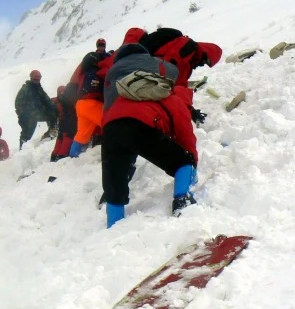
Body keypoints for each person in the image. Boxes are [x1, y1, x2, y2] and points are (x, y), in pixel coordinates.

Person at [101, 43, 198, 228]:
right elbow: (186, 137)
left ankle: (113, 225)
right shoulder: (172, 99)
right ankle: (182, 202)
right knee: (183, 161)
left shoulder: (128, 93)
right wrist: (191, 163)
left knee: (115, 182)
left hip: (110, 127)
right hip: (139, 126)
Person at [68, 38, 112, 157]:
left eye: (102, 45)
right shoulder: (99, 66)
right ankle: (114, 154)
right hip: (91, 103)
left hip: (81, 104)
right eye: (100, 45)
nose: (101, 47)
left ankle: (72, 158)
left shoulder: (87, 66)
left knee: (82, 134)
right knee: (110, 123)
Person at [139, 28, 222, 88]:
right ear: (205, 52)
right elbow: (170, 68)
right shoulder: (188, 48)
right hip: (147, 75)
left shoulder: (191, 54)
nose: (203, 63)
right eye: (206, 61)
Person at [14, 69, 58, 149]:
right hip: (27, 116)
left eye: (39, 77)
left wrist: (55, 107)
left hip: (37, 113)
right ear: (31, 78)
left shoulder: (39, 88)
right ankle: (22, 150)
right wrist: (24, 114)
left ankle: (52, 133)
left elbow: (46, 99)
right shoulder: (25, 89)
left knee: (52, 114)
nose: (37, 79)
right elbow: (18, 104)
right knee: (27, 133)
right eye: (35, 78)